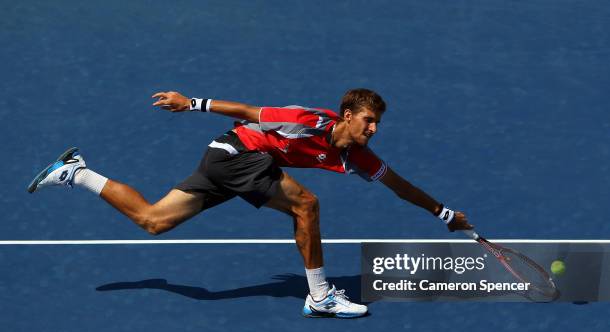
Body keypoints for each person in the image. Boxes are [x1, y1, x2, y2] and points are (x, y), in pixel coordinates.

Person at [28, 89, 472, 318]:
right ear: (348, 115)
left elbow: (398, 184)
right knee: (307, 205)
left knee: (153, 220)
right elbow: (250, 112)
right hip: (237, 154)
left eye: (378, 123)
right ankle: (320, 297)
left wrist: (444, 214)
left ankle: (77, 171)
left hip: (233, 164)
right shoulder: (307, 122)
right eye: (369, 121)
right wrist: (192, 103)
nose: (374, 129)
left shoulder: (357, 156)